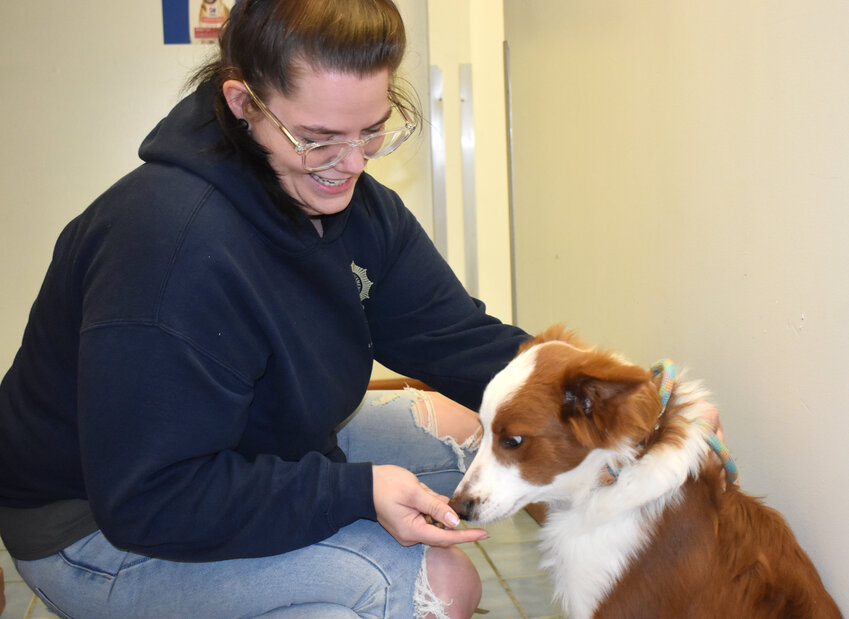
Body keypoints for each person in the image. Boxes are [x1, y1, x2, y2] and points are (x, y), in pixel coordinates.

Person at [0, 1, 530, 617]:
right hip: (94, 526)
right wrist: (356, 492)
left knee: (476, 429)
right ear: (242, 103)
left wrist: (602, 392)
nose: (354, 163)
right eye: (318, 138)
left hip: (246, 447)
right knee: (435, 588)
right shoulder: (169, 247)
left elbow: (459, 340)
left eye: (371, 129)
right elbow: (151, 499)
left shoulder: (353, 205)